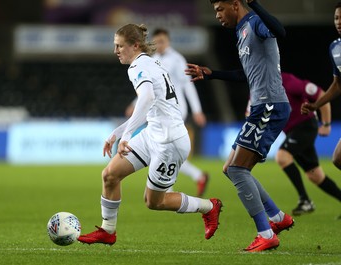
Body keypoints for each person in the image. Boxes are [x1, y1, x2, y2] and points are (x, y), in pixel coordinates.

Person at [77, 24, 222, 245]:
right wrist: (117, 133)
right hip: (153, 132)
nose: (115, 51)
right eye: (114, 45)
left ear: (134, 45)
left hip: (169, 142)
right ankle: (108, 230)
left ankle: (209, 207)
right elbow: (150, 106)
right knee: (110, 175)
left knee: (154, 202)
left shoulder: (138, 67)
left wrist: (126, 135)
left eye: (119, 46)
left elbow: (145, 99)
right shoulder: (151, 62)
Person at [186, 0, 294, 252]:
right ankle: (278, 218)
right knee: (230, 168)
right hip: (261, 106)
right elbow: (245, 75)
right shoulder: (241, 31)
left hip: (269, 105)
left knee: (237, 170)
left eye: (219, 9)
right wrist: (211, 73)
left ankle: (265, 233)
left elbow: (280, 31)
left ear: (235, 5)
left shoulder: (256, 22)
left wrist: (254, 3)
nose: (217, 15)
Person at [124, 28, 209, 197]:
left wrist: (197, 110)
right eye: (156, 42)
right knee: (164, 149)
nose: (159, 45)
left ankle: (169, 188)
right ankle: (195, 177)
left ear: (168, 41)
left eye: (162, 41)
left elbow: (188, 85)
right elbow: (149, 88)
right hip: (158, 110)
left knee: (164, 147)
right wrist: (134, 103)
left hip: (175, 109)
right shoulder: (153, 60)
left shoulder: (177, 60)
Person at [250, 72, 341, 216]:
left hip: (306, 126)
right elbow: (251, 114)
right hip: (292, 132)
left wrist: (326, 123)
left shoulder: (289, 82)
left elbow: (321, 94)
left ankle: (305, 200)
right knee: (315, 175)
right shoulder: (257, 89)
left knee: (282, 156)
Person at [301, 2, 341, 170]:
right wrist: (316, 105)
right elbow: (338, 84)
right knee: (338, 159)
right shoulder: (335, 48)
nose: (338, 22)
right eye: (336, 18)